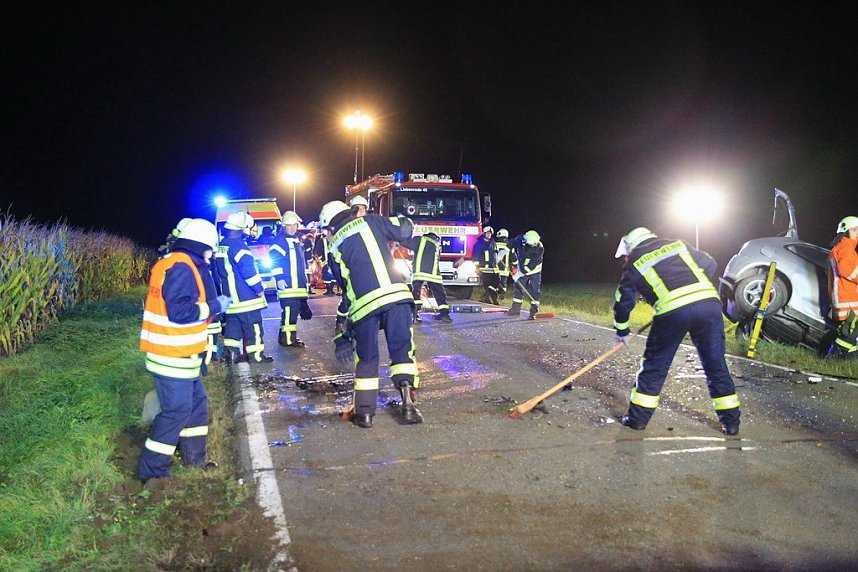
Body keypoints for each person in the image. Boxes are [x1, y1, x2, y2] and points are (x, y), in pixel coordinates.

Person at [613, 227, 741, 435]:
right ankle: (731, 423)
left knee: (655, 365)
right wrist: (695, 291)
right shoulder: (678, 244)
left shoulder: (634, 262)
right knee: (715, 363)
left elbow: (623, 299)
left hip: (673, 312)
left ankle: (637, 420)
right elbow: (710, 263)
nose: (625, 258)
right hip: (708, 305)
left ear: (631, 247)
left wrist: (621, 330)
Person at [138, 219, 232, 482]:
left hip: (181, 355)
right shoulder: (182, 267)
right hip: (171, 356)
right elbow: (180, 312)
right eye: (210, 249)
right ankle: (152, 472)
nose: (211, 255)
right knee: (176, 412)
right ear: (201, 245)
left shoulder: (180, 263)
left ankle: (195, 460)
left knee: (197, 407)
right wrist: (215, 306)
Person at [319, 200, 421, 428]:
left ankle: (364, 415)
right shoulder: (372, 221)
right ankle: (408, 407)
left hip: (364, 307)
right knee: (402, 351)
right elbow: (404, 229)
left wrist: (344, 331)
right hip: (396, 298)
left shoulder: (334, 248)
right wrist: (406, 216)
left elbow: (347, 290)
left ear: (330, 227)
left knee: (366, 359)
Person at [214, 212, 273, 364]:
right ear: (242, 228)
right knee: (254, 328)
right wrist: (259, 289)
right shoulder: (240, 246)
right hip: (247, 299)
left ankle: (231, 355)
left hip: (231, 300)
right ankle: (256, 357)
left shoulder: (222, 246)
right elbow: (249, 272)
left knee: (232, 328)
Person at [270, 211, 312, 348]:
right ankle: (288, 340)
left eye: (294, 225)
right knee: (289, 314)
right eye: (289, 225)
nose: (293, 228)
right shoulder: (279, 242)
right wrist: (279, 278)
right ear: (284, 226)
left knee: (291, 314)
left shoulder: (296, 241)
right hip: (288, 286)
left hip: (297, 286)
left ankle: (284, 337)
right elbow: (275, 262)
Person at [826, 216, 858, 358]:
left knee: (849, 330)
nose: (857, 233)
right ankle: (834, 356)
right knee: (850, 330)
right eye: (854, 230)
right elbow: (846, 270)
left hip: (842, 297)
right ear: (845, 232)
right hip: (847, 299)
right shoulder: (846, 248)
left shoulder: (839, 248)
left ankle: (846, 357)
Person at [405, 231, 452, 323]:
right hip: (434, 275)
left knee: (416, 294)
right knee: (440, 294)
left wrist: (395, 239)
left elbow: (406, 242)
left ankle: (415, 316)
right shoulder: (437, 245)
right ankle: (445, 315)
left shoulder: (420, 240)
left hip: (419, 273)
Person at [507, 230, 543, 319]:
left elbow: (531, 266)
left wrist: (519, 274)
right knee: (518, 287)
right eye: (532, 244)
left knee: (534, 291)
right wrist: (504, 251)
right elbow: (511, 244)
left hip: (534, 271)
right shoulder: (520, 239)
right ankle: (515, 309)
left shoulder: (539, 248)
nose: (534, 245)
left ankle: (533, 312)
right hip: (522, 267)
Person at [472, 226, 500, 304]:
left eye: (490, 233)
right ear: (484, 233)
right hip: (484, 269)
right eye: (487, 233)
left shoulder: (493, 243)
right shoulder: (479, 244)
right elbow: (475, 256)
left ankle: (486, 297)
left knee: (496, 283)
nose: (489, 235)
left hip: (494, 268)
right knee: (488, 285)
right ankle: (493, 300)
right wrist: (477, 267)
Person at [495, 228, 513, 300]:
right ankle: (502, 296)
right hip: (505, 269)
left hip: (496, 268)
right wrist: (514, 265)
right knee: (503, 283)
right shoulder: (509, 246)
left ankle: (495, 295)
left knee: (495, 283)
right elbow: (513, 257)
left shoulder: (494, 245)